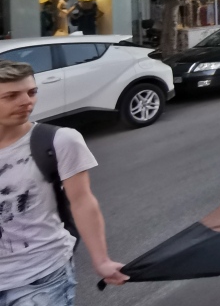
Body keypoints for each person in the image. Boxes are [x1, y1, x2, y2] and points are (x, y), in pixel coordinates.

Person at [0, 61, 129, 303]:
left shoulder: (59, 140)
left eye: (32, 92)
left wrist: (101, 260)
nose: (26, 101)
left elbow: (82, 202)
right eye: (11, 96)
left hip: (40, 277)